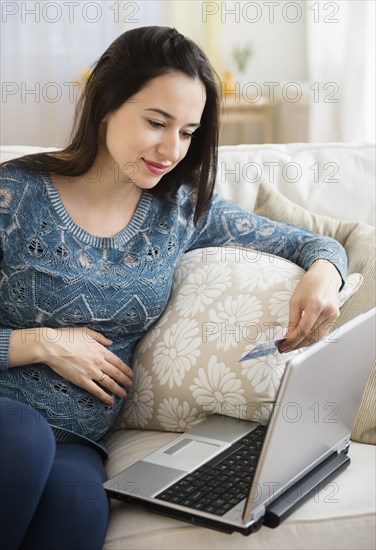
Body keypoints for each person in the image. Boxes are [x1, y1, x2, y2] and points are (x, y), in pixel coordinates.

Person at [0, 26, 347, 549]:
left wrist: (325, 274)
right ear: (105, 104)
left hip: (78, 442)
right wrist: (41, 342)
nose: (171, 149)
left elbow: (315, 244)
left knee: (77, 512)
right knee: (22, 441)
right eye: (156, 123)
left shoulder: (181, 210)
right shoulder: (13, 196)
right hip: (9, 420)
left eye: (187, 132)